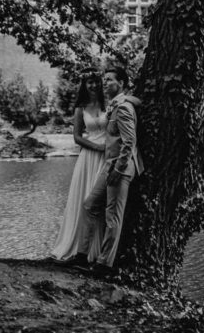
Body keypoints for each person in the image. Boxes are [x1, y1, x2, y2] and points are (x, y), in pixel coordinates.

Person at [80, 65, 144, 277]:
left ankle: (104, 265)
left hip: (121, 168)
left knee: (112, 217)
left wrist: (119, 167)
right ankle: (82, 255)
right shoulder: (115, 105)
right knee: (89, 204)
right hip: (109, 165)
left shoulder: (124, 107)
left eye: (109, 80)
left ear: (122, 83)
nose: (104, 83)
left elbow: (129, 142)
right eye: (104, 79)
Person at [50, 71, 107, 264]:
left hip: (107, 159)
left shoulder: (109, 105)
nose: (93, 85)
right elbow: (77, 137)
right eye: (89, 82)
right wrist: (98, 147)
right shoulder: (80, 108)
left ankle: (98, 250)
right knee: (86, 200)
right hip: (90, 158)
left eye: (96, 82)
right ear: (85, 85)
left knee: (100, 202)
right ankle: (80, 248)